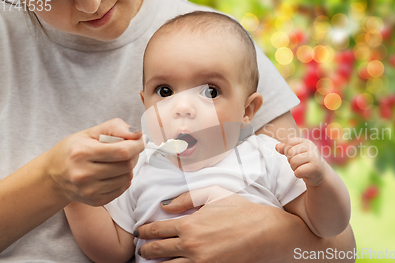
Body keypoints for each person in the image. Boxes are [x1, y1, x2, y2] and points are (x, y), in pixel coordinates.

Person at [0, 0, 356, 262]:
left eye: (210, 92)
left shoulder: (264, 155)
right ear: (144, 104)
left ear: (248, 110)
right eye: (165, 92)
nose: (183, 106)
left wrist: (319, 182)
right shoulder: (140, 169)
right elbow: (113, 250)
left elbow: (334, 238)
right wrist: (71, 194)